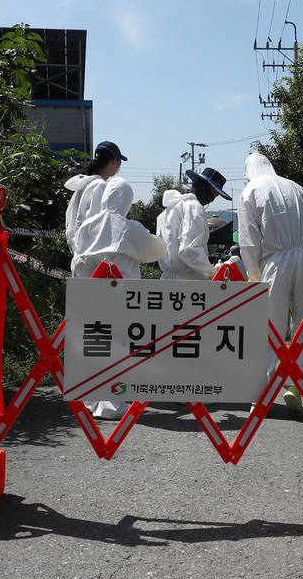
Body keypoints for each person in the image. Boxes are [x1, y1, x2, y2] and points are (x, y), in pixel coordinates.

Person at [70, 176, 166, 418]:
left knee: (95, 346)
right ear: (126, 200)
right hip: (122, 299)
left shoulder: (88, 225)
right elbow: (155, 249)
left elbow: (78, 259)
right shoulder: (129, 228)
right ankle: (113, 403)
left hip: (91, 297)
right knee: (119, 347)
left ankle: (91, 400)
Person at [239, 152, 303, 414]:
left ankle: (260, 391)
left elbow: (249, 240)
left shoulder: (250, 190)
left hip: (276, 261)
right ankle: (296, 385)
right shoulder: (296, 187)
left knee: (269, 325)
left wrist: (253, 274)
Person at [156, 166, 230, 280]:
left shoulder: (169, 209)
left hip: (167, 280)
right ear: (204, 186)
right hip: (188, 283)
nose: (214, 197)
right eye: (214, 191)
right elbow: (189, 249)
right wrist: (212, 273)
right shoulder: (194, 208)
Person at [63, 140, 127, 254]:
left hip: (79, 254)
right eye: (119, 162)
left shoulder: (83, 185)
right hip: (92, 257)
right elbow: (99, 227)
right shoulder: (100, 186)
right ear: (114, 161)